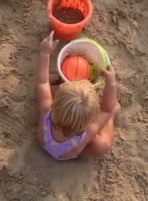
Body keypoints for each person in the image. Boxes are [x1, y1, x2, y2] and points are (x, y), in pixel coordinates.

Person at [36, 31, 121, 160]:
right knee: (103, 139)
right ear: (84, 126)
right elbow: (106, 109)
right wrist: (111, 83)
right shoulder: (86, 133)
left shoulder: (46, 110)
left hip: (44, 143)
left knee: (50, 88)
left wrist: (45, 53)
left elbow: (42, 82)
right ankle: (110, 121)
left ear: (54, 104)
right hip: (69, 153)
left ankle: (58, 84)